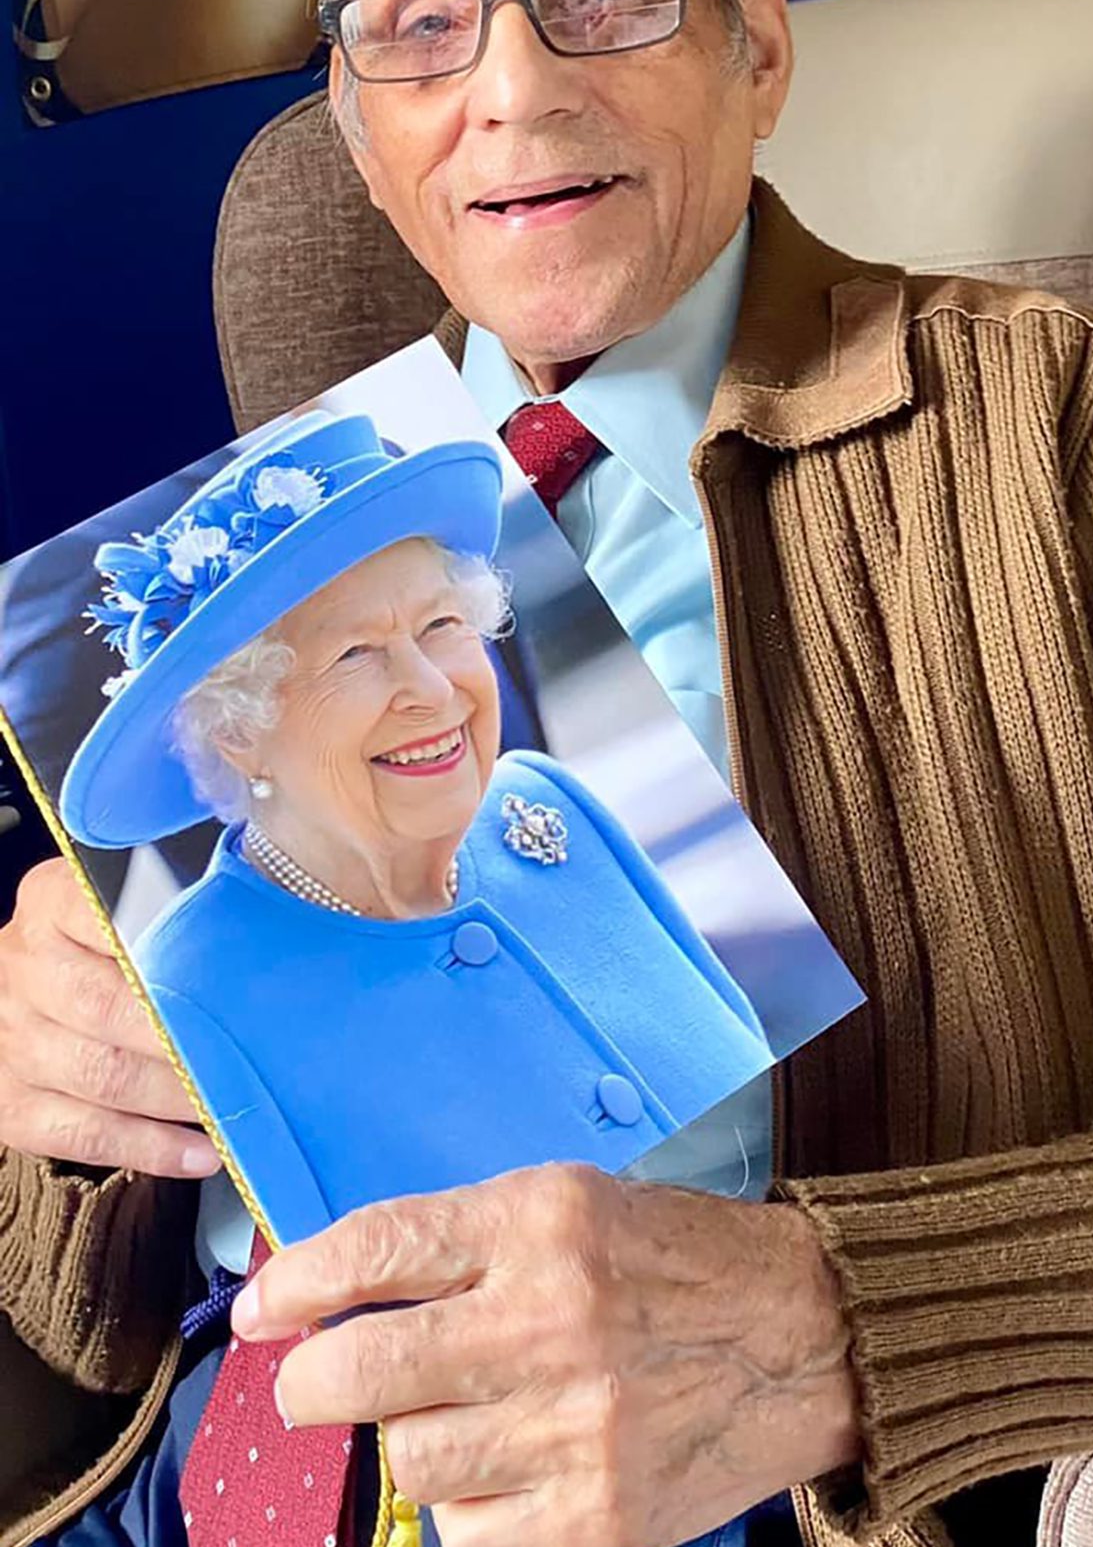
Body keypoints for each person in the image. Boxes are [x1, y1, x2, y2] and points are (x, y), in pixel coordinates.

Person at [3, 0, 1093, 1547]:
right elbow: (76, 1322)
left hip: (703, 1522)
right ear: (363, 134)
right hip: (198, 1505)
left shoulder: (1040, 420)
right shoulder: (259, 547)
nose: (513, 91)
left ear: (754, 47)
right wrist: (44, 1095)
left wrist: (836, 1315)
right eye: (420, 35)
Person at [55, 409, 773, 1251]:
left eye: (441, 626)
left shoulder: (548, 804)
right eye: (355, 654)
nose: (433, 689)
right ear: (238, 729)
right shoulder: (187, 997)